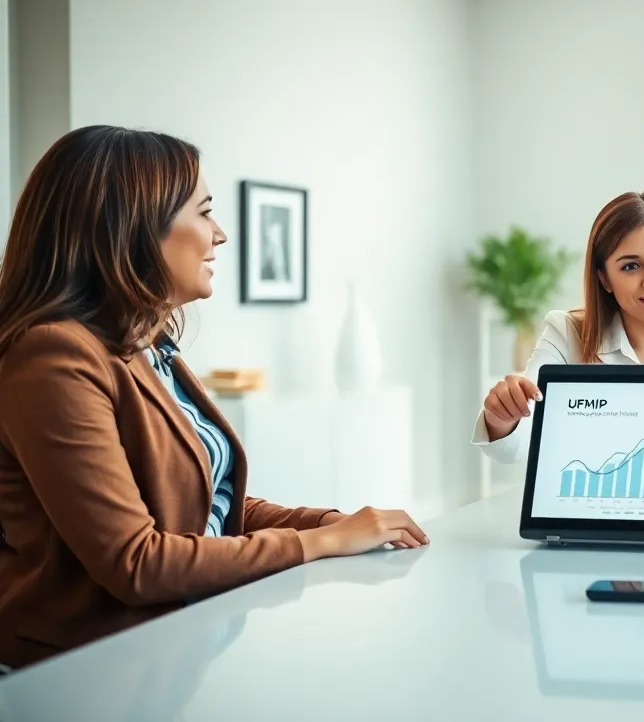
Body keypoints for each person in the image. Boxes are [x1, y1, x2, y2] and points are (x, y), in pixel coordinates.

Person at [0, 126, 429, 671]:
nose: (220, 234)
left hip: (173, 646)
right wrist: (321, 544)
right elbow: (137, 561)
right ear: (132, 228)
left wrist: (327, 523)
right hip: (83, 672)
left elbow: (202, 507)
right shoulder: (54, 357)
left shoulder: (144, 345)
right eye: (204, 212)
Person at [473, 191, 644, 465]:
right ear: (605, 279)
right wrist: (502, 416)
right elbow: (518, 446)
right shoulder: (567, 334)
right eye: (631, 266)